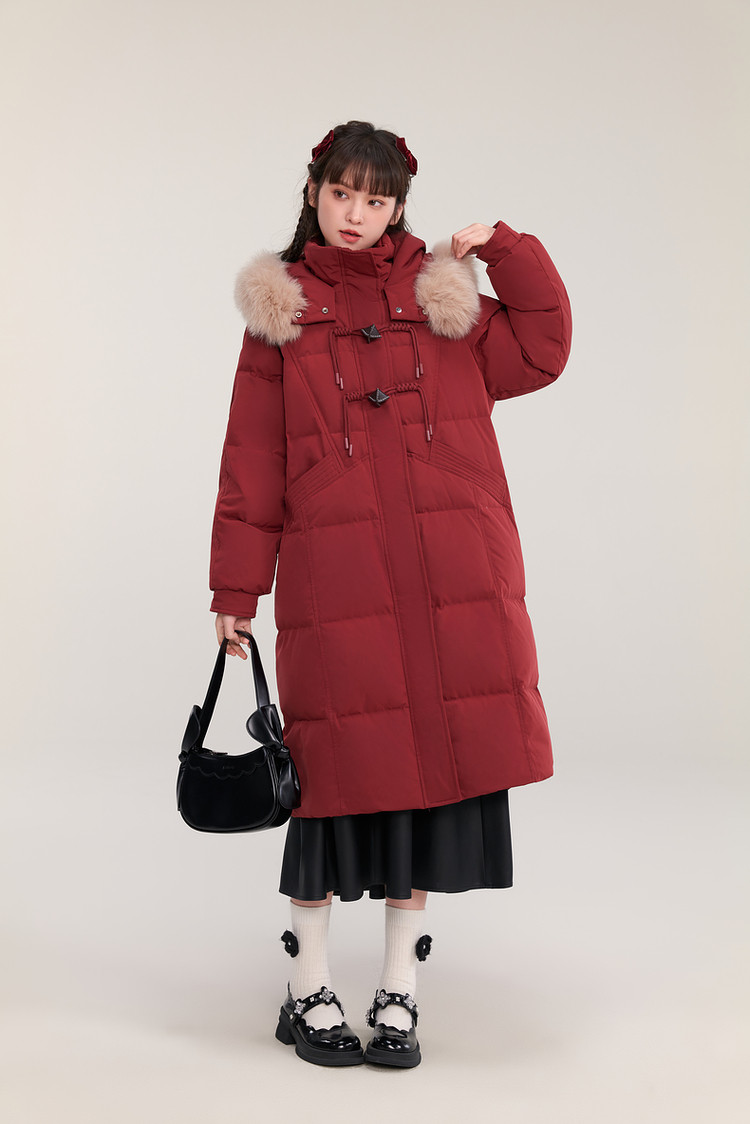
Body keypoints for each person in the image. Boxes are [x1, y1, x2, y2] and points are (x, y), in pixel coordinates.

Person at [208, 120, 573, 1069]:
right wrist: (236, 586)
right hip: (337, 581)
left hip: (454, 574)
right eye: (342, 194)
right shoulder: (282, 315)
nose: (356, 214)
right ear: (315, 194)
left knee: (432, 785)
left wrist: (504, 250)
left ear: (398, 208)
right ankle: (308, 986)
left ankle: (400, 991)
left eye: (376, 200)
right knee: (330, 785)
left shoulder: (443, 298)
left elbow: (542, 351)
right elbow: (252, 457)